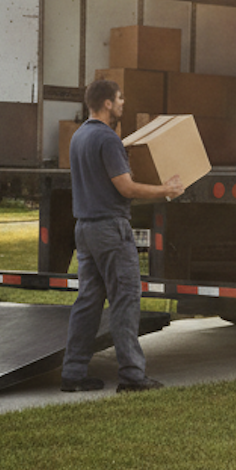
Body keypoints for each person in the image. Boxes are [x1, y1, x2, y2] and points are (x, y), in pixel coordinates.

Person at [61, 79, 184, 393]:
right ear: (106, 104)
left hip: (85, 229)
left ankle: (73, 373)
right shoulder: (107, 139)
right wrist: (166, 190)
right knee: (125, 300)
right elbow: (126, 188)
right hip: (110, 229)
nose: (122, 104)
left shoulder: (78, 137)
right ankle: (131, 375)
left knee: (88, 301)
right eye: (119, 99)